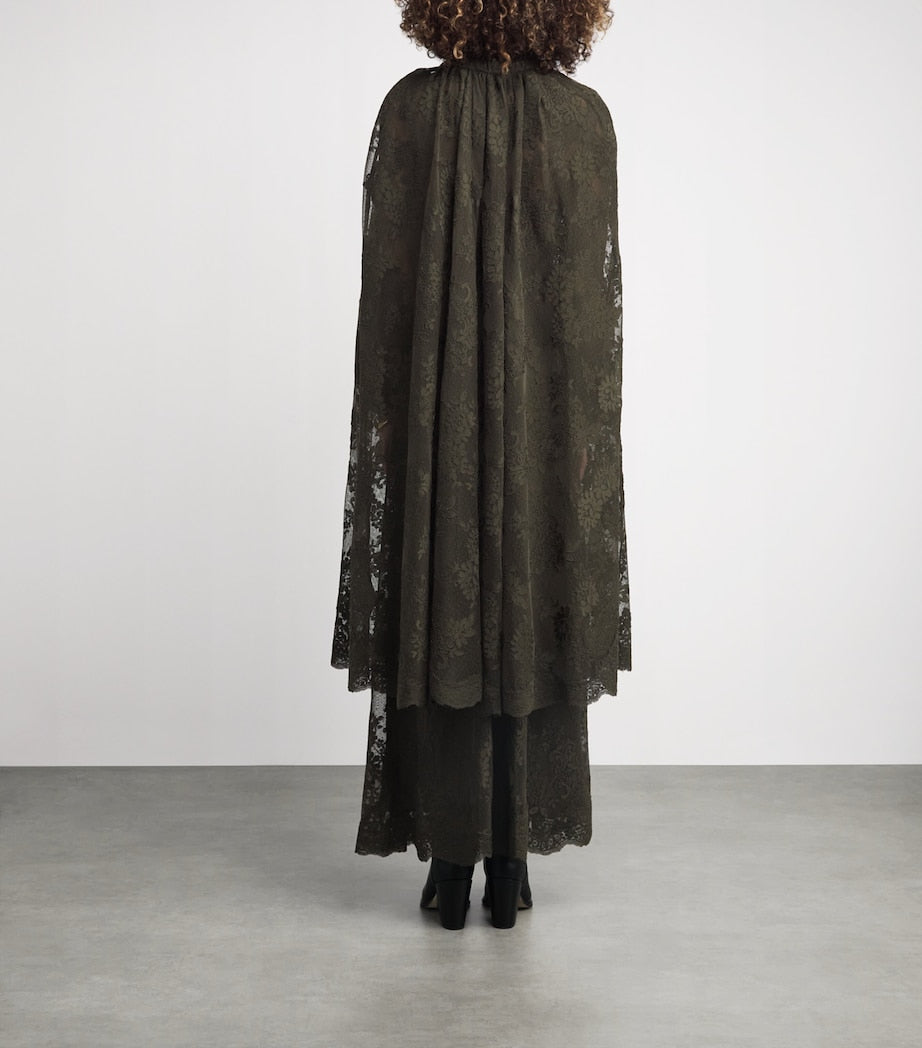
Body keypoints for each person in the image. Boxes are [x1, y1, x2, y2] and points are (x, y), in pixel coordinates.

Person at [330, 0, 632, 930]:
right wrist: (582, 441)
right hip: (546, 420)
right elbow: (591, 308)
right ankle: (511, 865)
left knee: (444, 610)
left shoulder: (409, 111)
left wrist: (394, 427)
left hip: (437, 415)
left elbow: (386, 294)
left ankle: (452, 864)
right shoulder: (583, 120)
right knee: (531, 614)